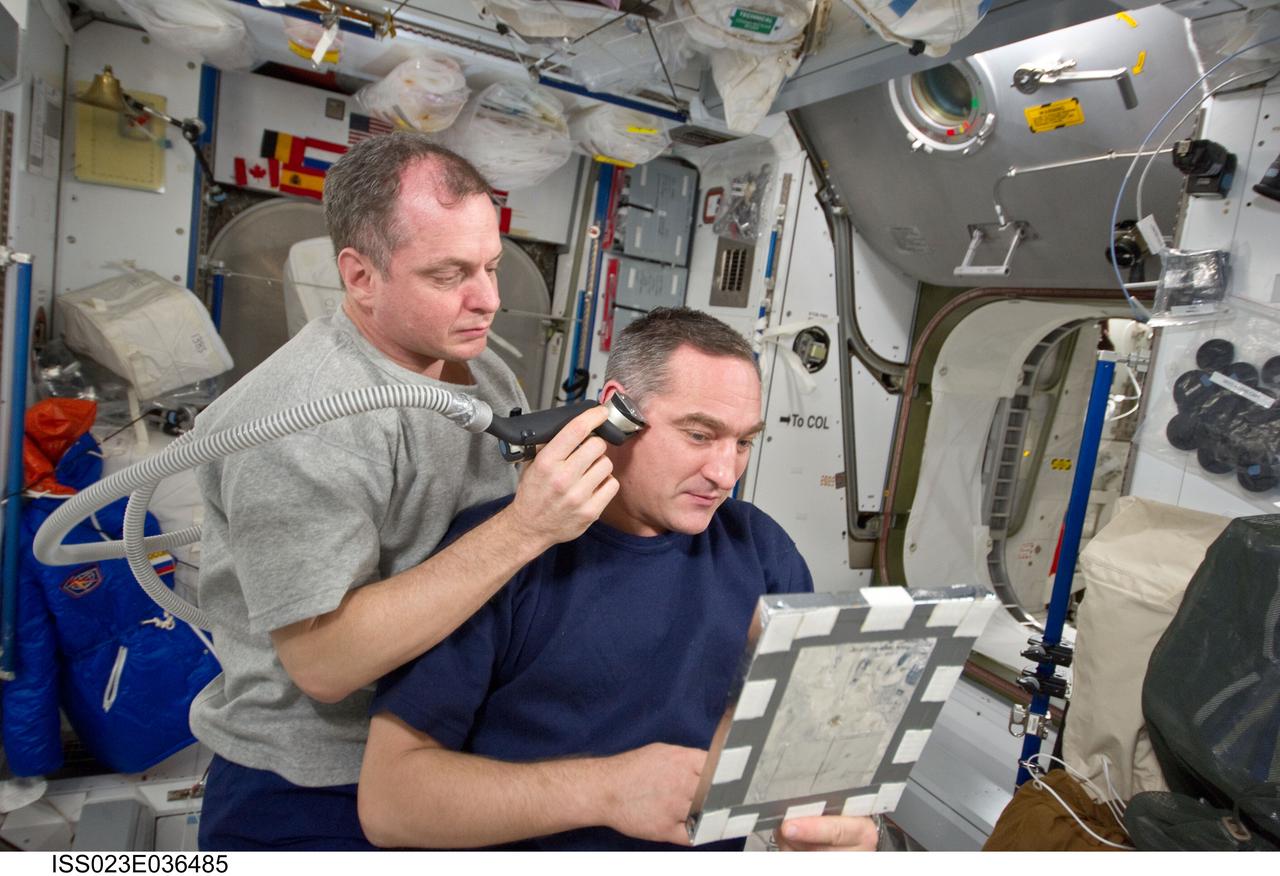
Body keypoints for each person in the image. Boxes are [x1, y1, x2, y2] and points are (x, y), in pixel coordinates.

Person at [190, 134, 618, 850]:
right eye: (449, 273)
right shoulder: (307, 421)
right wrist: (526, 528)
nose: (488, 298)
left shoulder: (478, 372)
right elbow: (324, 664)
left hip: (444, 746)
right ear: (359, 276)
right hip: (317, 785)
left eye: (490, 264)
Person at [358, 308, 879, 852]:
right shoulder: (502, 552)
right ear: (617, 412)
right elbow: (390, 803)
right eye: (700, 435)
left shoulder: (763, 552)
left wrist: (842, 834)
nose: (726, 474)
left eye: (744, 442)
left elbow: (813, 754)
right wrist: (607, 791)